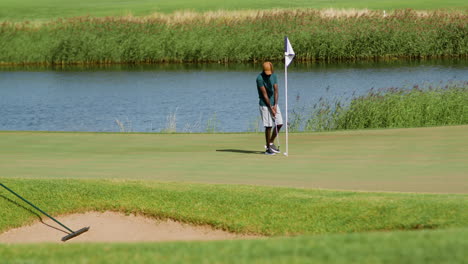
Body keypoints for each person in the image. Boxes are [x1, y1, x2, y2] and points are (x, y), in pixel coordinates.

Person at [256, 61, 283, 155]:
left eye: (269, 73)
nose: (268, 75)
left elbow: (276, 91)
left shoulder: (274, 76)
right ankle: (268, 149)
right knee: (268, 126)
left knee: (279, 124)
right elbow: (265, 95)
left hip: (273, 104)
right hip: (264, 104)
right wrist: (271, 108)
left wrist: (275, 105)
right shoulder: (259, 78)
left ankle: (270, 142)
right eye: (266, 73)